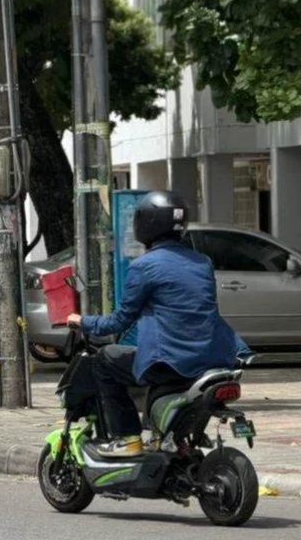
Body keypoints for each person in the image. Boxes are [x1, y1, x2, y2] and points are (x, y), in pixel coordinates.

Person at [66, 191, 240, 458]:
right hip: (212, 356)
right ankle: (166, 436)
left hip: (171, 361)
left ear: (146, 224)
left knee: (104, 360)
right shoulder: (202, 262)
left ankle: (126, 437)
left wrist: (84, 322)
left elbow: (121, 319)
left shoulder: (145, 266)